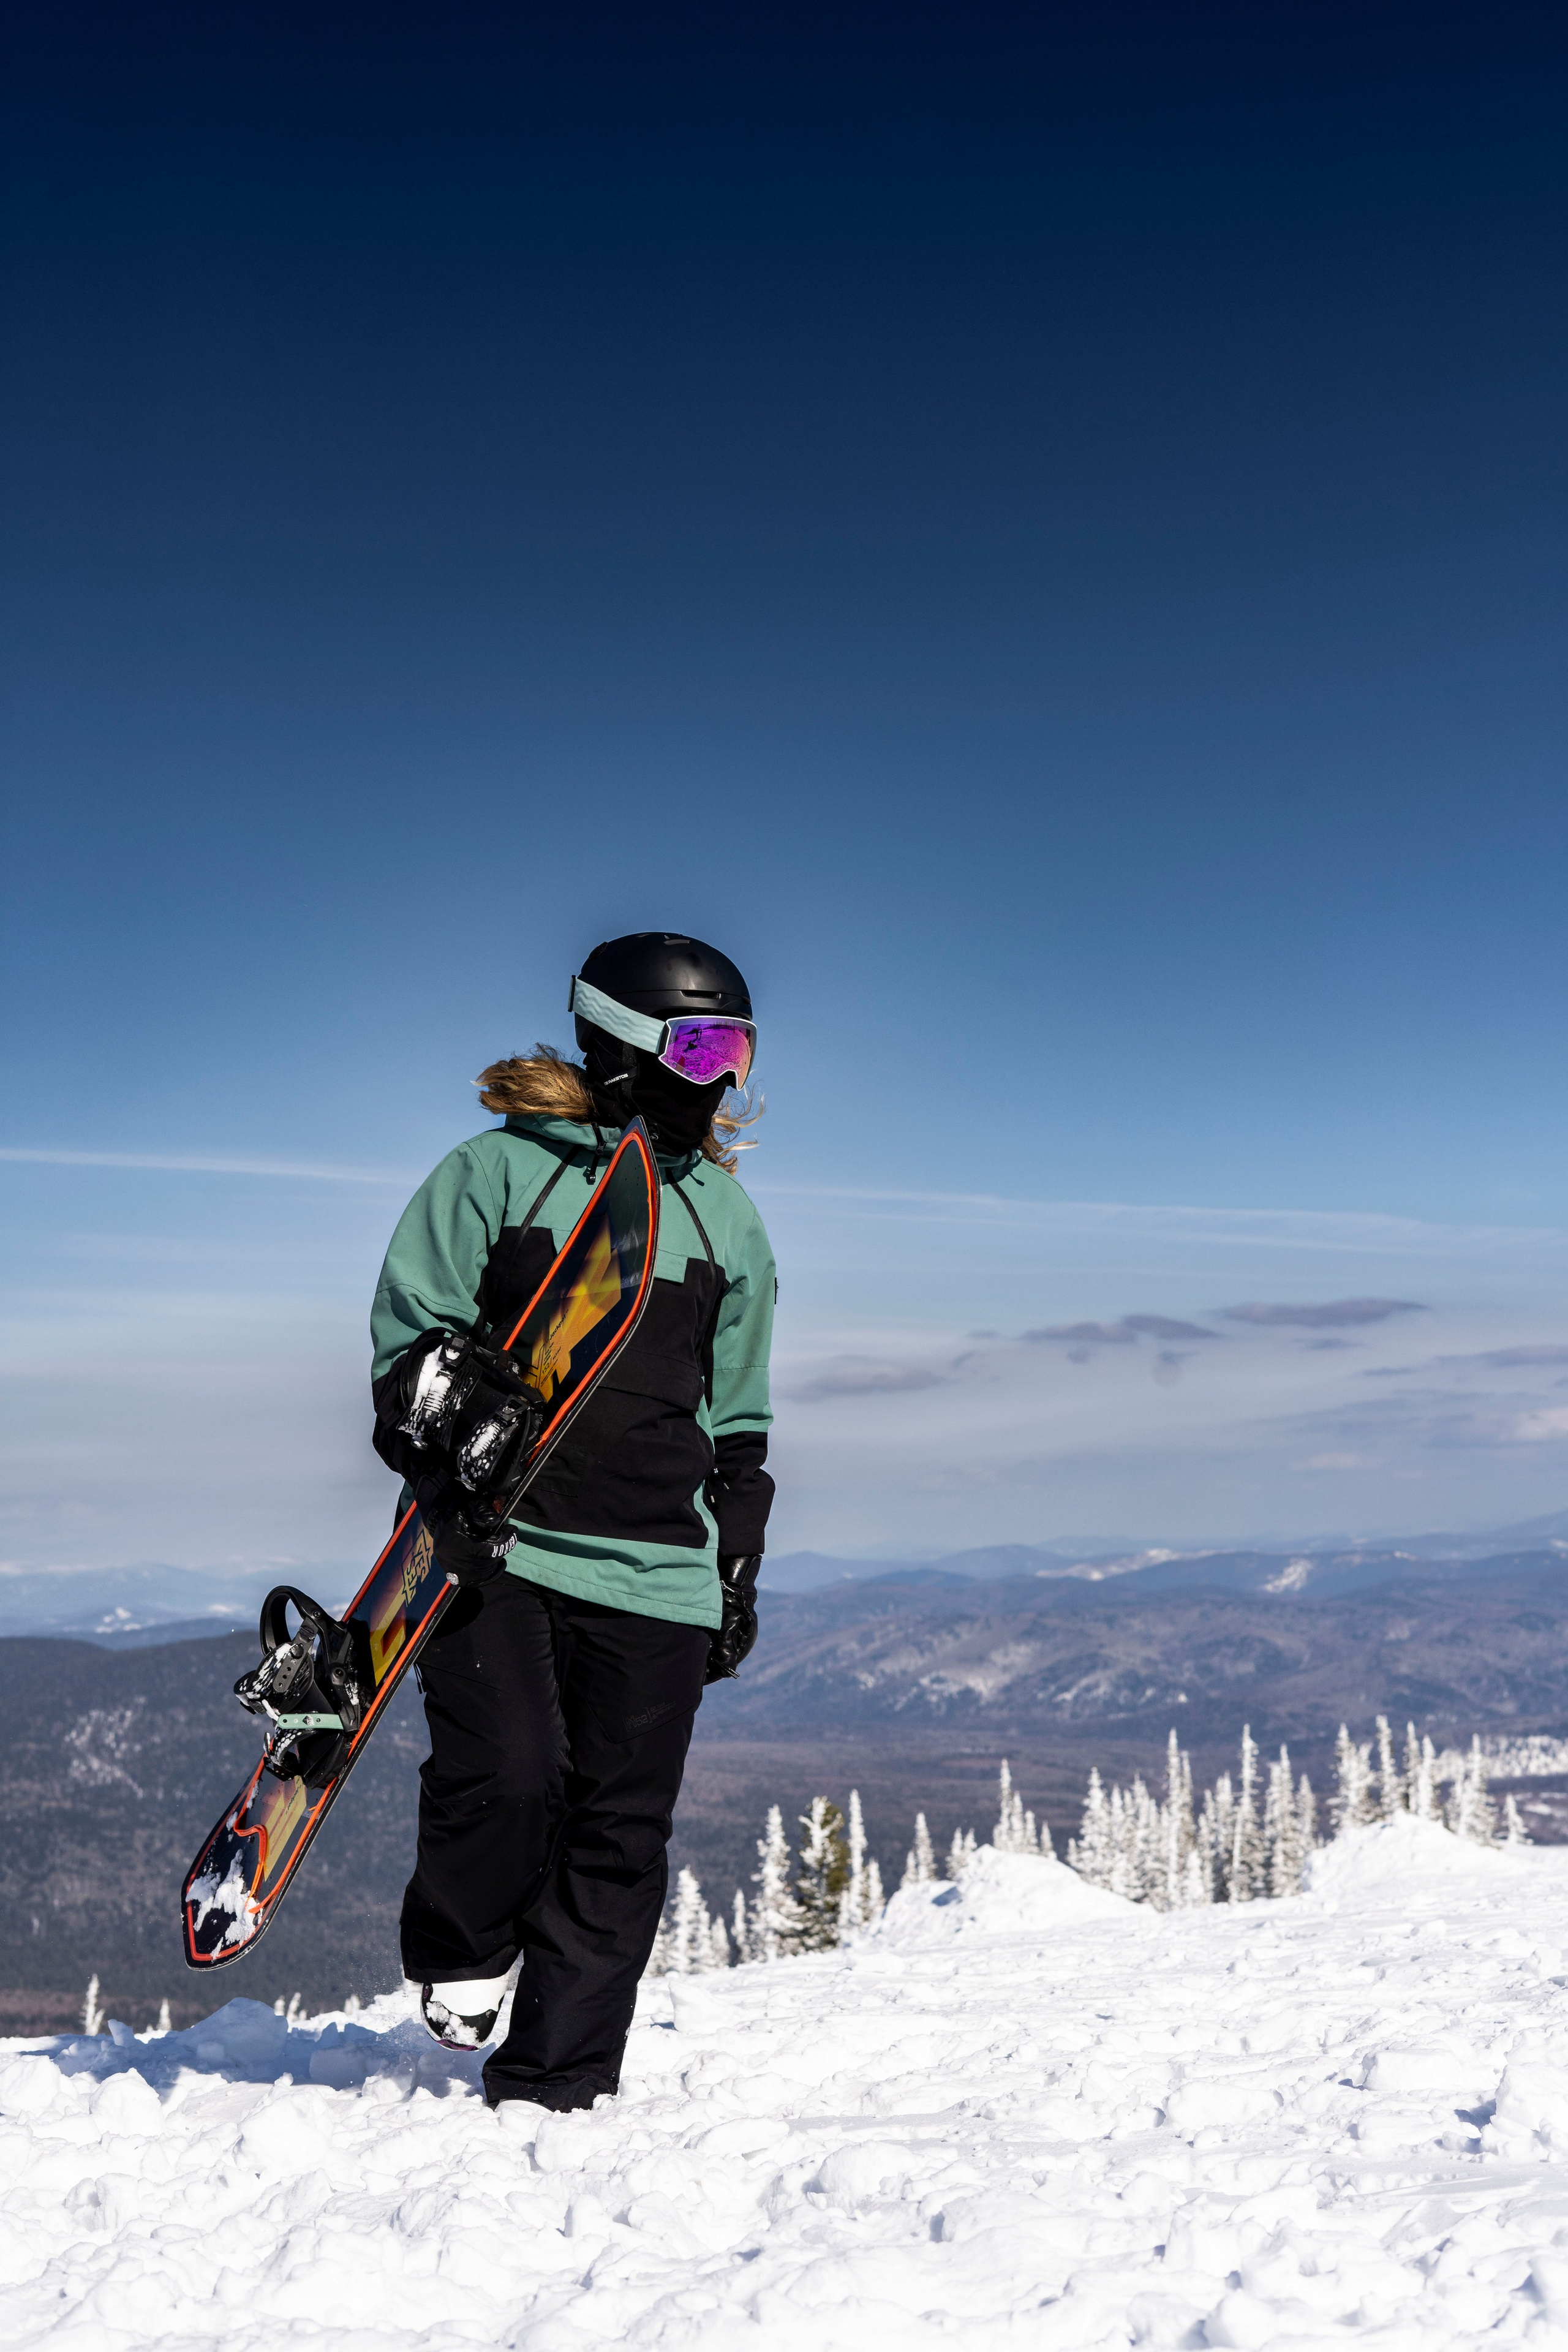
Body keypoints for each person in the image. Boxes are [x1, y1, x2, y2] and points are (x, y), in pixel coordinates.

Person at [368, 932, 775, 2113]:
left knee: (618, 1829)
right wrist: (443, 1399)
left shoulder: (726, 1223)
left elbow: (738, 1419)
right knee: (510, 1774)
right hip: (496, 1542)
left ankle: (558, 2086)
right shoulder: (497, 1174)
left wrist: (734, 1568)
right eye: (702, 1045)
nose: (722, 1078)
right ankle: (462, 1943)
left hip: (659, 1566)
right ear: (625, 1040)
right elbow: (410, 1332)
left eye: (739, 1051)